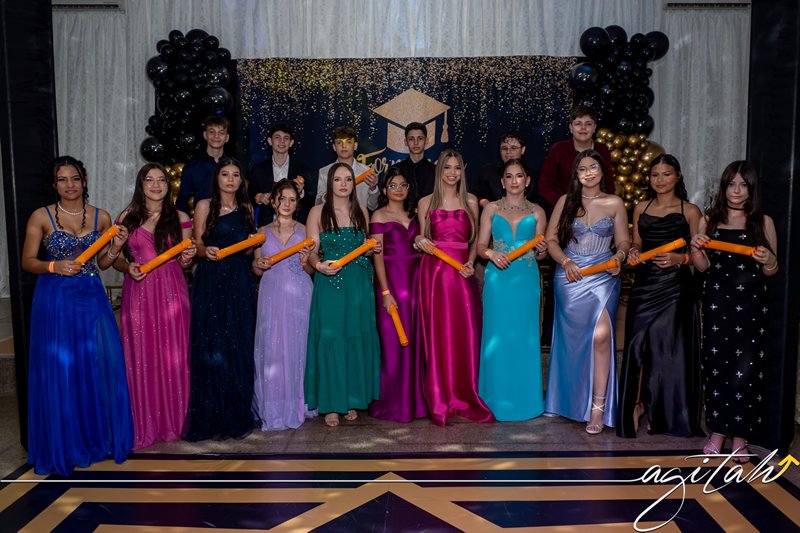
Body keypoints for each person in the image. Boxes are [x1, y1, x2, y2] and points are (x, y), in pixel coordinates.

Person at [22, 156, 133, 475]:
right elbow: (28, 261)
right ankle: (66, 443)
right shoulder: (40, 216)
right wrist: (53, 265)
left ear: (84, 181)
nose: (69, 185)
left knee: (100, 363)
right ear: (54, 184)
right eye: (62, 179)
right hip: (55, 299)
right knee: (62, 369)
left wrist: (116, 247)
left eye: (75, 178)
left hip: (91, 297)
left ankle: (98, 438)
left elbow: (104, 263)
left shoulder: (102, 216)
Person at [691, 160, 778, 462]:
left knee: (747, 371)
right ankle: (717, 432)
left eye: (743, 185)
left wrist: (768, 259)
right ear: (724, 187)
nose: (737, 191)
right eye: (731, 184)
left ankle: (740, 438)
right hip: (717, 302)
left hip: (751, 306)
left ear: (752, 189)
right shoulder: (709, 221)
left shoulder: (763, 222)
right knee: (716, 365)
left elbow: (772, 270)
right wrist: (696, 249)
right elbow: (702, 267)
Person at [617, 154, 703, 438]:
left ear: (677, 176)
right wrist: (633, 251)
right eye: (655, 175)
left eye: (666, 174)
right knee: (636, 345)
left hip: (676, 286)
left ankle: (663, 413)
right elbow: (637, 242)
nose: (660, 180)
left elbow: (700, 256)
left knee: (666, 349)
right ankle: (635, 405)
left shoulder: (690, 211)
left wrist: (681, 259)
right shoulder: (641, 207)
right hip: (645, 284)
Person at [544, 149, 629, 434]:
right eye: (582, 169)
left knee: (602, 336)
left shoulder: (615, 202)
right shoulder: (565, 201)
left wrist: (619, 257)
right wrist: (565, 262)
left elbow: (624, 242)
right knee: (573, 344)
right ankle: (567, 400)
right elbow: (551, 240)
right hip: (570, 276)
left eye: (593, 167)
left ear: (602, 170)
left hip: (604, 275)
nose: (588, 173)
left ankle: (598, 407)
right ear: (576, 174)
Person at [116, 163, 196, 450]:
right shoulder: (126, 217)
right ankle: (144, 422)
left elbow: (186, 261)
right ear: (141, 184)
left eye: (161, 180)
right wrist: (127, 267)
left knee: (174, 354)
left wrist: (187, 258)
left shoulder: (181, 217)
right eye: (149, 180)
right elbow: (114, 258)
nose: (156, 185)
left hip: (172, 291)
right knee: (142, 353)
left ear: (168, 185)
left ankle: (176, 420)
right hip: (139, 292)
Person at [415, 148, 495, 427]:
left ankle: (465, 394)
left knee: (464, 333)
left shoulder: (471, 201)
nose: (452, 173)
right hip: (434, 275)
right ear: (439, 170)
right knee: (437, 334)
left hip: (462, 273)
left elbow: (475, 241)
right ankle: (440, 397)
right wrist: (419, 240)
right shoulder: (425, 202)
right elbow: (422, 238)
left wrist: (471, 263)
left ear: (463, 171)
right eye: (447, 167)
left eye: (457, 168)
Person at [183, 158, 258, 441]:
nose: (230, 180)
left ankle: (237, 413)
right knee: (212, 346)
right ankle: (211, 415)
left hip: (239, 280)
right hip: (211, 280)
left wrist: (253, 245)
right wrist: (207, 251)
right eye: (225, 174)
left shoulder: (247, 207)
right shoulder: (204, 205)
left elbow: (249, 251)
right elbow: (198, 246)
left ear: (241, 180)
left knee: (238, 345)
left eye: (235, 175)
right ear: (217, 178)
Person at [305, 162, 382, 427]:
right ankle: (331, 403)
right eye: (338, 179)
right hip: (330, 282)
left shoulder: (361, 210)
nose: (343, 184)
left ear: (354, 183)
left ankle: (351, 399)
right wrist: (318, 266)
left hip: (358, 284)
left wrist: (373, 249)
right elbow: (312, 252)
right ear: (330, 183)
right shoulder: (317, 212)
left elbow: (366, 248)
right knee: (332, 338)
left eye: (348, 179)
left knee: (354, 337)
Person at [477, 159, 548, 421]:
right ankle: (494, 400)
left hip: (526, 281)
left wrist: (542, 251)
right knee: (497, 338)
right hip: (499, 281)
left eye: (519, 176)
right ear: (502, 181)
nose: (514, 180)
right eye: (509, 176)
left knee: (524, 338)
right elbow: (479, 246)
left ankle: (525, 401)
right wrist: (491, 253)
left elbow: (541, 255)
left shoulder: (538, 211)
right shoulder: (491, 209)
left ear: (527, 180)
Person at [252, 179, 315, 430]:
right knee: (273, 347)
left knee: (299, 345)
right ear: (273, 201)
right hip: (271, 293)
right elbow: (257, 270)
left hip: (300, 293)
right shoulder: (261, 231)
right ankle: (274, 404)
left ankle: (300, 402)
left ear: (298, 203)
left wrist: (305, 263)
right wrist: (257, 264)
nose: (286, 204)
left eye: (292, 199)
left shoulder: (306, 230)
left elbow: (311, 270)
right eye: (282, 198)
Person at [368, 166, 427, 422]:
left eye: (403, 185)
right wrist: (384, 291)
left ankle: (415, 403)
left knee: (414, 343)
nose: (399, 190)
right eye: (393, 185)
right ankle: (391, 404)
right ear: (384, 189)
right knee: (391, 343)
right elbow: (377, 257)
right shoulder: (379, 215)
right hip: (391, 283)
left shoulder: (414, 215)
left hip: (415, 284)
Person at [537, 106, 614, 214]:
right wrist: (566, 204)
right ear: (571, 127)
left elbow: (609, 185)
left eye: (588, 124)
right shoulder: (558, 149)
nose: (583, 128)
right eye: (578, 124)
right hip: (564, 211)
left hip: (596, 210)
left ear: (594, 127)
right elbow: (544, 186)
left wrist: (602, 206)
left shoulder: (602, 150)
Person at [248, 123, 312, 224]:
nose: (282, 141)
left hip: (296, 225)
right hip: (267, 225)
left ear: (291, 142)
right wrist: (259, 198)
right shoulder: (258, 169)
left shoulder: (302, 170)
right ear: (270, 141)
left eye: (286, 138)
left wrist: (301, 192)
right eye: (277, 137)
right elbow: (249, 198)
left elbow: (312, 200)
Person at [315, 126, 379, 210]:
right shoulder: (324, 172)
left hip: (359, 217)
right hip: (332, 217)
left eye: (348, 142)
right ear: (334, 147)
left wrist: (373, 188)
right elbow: (318, 204)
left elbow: (373, 206)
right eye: (339, 142)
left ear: (355, 146)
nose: (343, 146)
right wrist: (330, 194)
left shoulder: (366, 172)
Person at [175, 115, 230, 213]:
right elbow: (182, 203)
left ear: (227, 137)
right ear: (205, 135)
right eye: (212, 132)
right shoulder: (191, 168)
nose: (216, 136)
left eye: (221, 133)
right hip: (202, 219)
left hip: (230, 219)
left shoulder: (233, 167)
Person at [473, 131, 533, 206]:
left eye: (513, 148)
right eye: (504, 148)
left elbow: (539, 201)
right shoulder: (487, 172)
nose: (508, 152)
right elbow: (475, 196)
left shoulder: (533, 175)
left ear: (523, 150)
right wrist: (486, 204)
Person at [394, 122, 436, 205]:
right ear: (406, 142)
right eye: (411, 139)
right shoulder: (396, 170)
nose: (416, 143)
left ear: (426, 141)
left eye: (420, 138)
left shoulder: (436, 171)